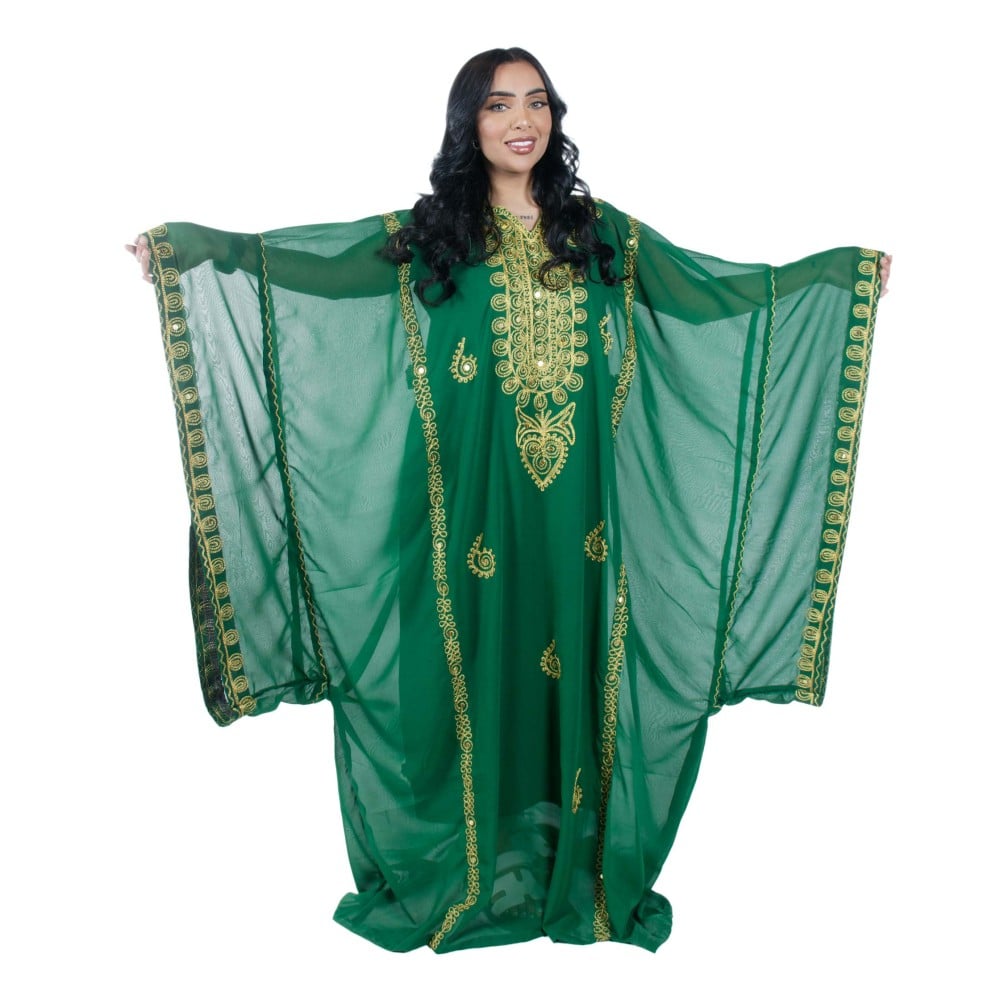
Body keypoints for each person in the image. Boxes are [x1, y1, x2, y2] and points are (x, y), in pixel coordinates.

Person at [127, 47, 892, 953]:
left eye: (537, 103)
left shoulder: (601, 237)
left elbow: (718, 291)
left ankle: (572, 871)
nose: (521, 121)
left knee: (573, 666)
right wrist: (191, 253)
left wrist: (840, 278)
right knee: (462, 668)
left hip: (580, 519)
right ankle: (464, 871)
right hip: (459, 504)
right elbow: (303, 268)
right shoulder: (430, 236)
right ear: (469, 124)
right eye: (498, 106)